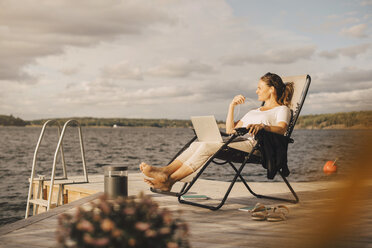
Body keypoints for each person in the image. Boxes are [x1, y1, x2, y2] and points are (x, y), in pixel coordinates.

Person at [140, 72, 294, 191]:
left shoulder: (282, 110)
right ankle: (166, 172)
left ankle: (170, 180)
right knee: (198, 144)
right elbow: (229, 130)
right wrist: (231, 106)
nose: (256, 91)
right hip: (237, 141)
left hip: (255, 146)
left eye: (260, 87)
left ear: (272, 89)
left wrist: (263, 127)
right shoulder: (256, 110)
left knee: (207, 147)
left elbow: (281, 129)